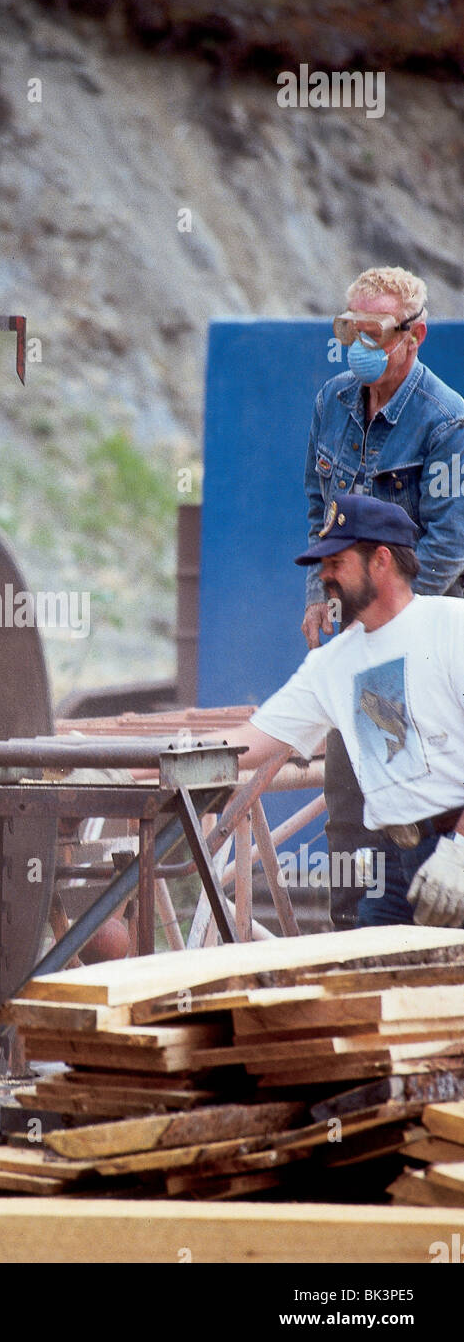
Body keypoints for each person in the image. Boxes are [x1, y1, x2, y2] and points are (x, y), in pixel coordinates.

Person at [301, 267, 464, 926]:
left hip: (418, 641)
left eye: (372, 333)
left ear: (413, 336)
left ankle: (417, 959)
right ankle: (350, 949)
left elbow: (449, 544)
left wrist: (386, 628)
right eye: (348, 330)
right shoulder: (331, 404)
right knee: (349, 805)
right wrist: (322, 590)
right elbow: (319, 509)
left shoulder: (445, 422)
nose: (356, 344)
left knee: (414, 816)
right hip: (358, 639)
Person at [224, 493, 464, 929]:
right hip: (390, 859)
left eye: (337, 563)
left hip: (457, 844)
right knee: (375, 987)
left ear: (381, 561)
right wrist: (150, 762)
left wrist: (461, 853)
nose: (325, 577)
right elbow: (250, 742)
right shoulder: (332, 665)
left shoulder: (452, 626)